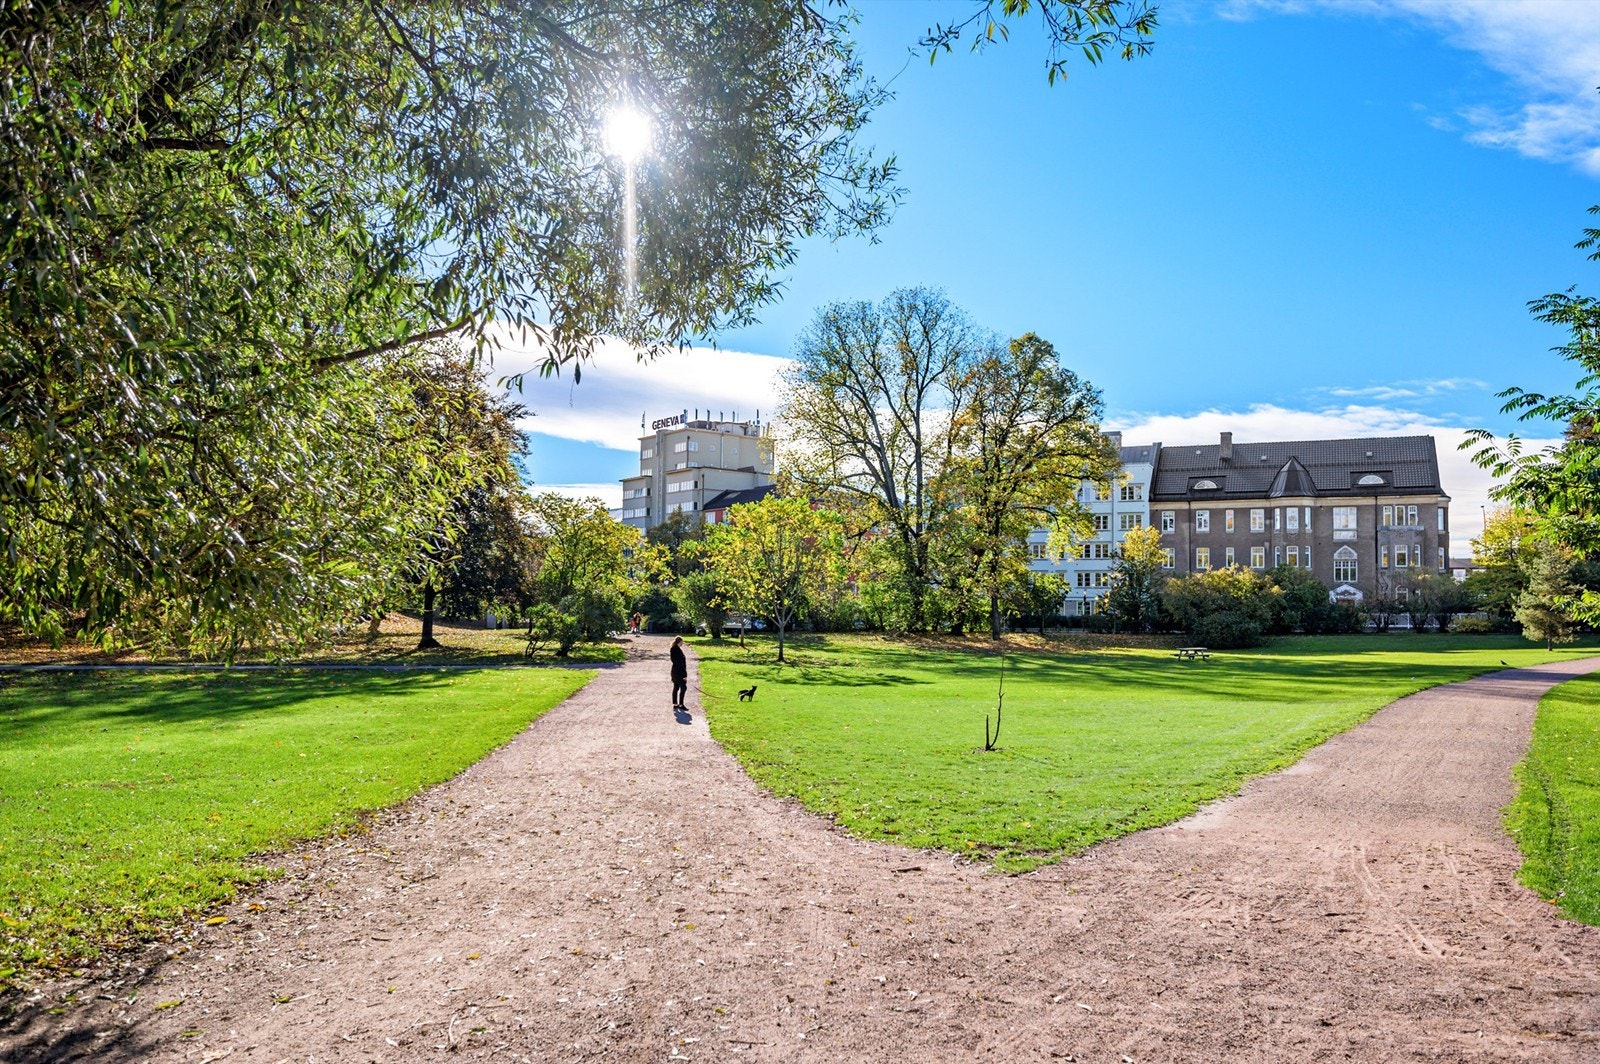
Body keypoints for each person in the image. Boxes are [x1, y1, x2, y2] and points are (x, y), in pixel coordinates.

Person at [669, 636, 688, 710]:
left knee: (676, 687)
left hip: (674, 671)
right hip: (679, 672)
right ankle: (681, 704)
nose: (682, 643)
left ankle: (675, 703)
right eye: (682, 642)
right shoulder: (677, 651)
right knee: (683, 688)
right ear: (679, 642)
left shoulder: (673, 649)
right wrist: (684, 675)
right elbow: (681, 664)